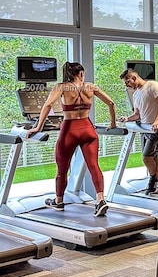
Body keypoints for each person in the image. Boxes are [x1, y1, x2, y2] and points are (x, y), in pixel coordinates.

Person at [26, 62, 116, 217]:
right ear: (80, 73)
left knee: (62, 169)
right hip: (88, 128)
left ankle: (59, 201)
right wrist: (113, 122)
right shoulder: (91, 87)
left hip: (69, 129)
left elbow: (48, 105)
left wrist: (38, 127)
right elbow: (111, 103)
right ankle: (100, 200)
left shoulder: (61, 87)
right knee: (94, 166)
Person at [119, 68, 158, 196]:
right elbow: (137, 114)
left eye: (127, 82)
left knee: (146, 158)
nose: (127, 85)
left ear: (134, 78)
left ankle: (152, 182)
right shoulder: (136, 94)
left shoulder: (153, 85)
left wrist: (157, 121)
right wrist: (127, 118)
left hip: (157, 129)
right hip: (145, 129)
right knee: (154, 158)